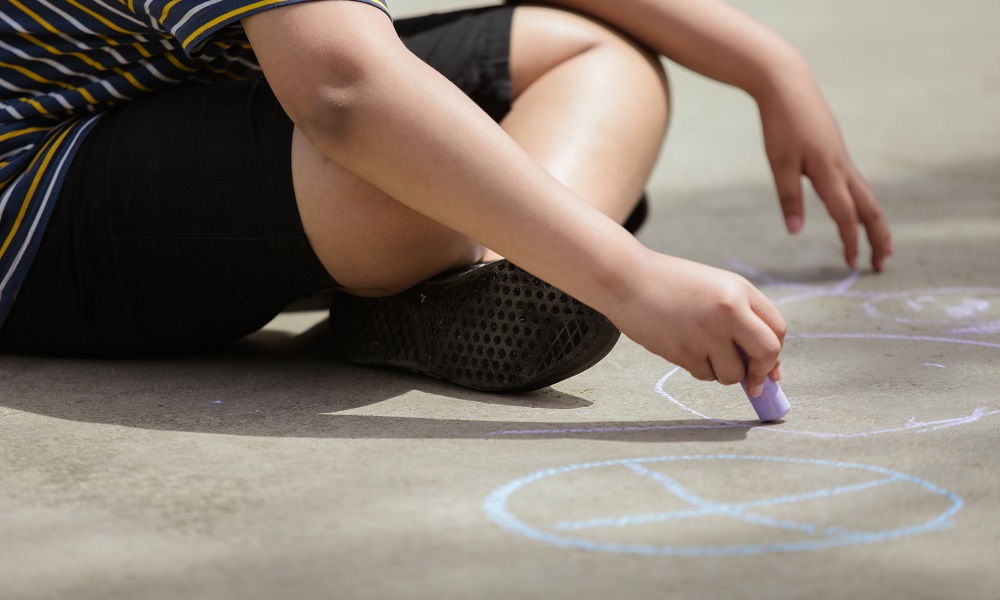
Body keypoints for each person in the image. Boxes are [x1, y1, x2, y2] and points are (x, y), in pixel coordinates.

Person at [0, 0, 892, 397]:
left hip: (160, 89)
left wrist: (769, 67)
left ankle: (457, 292)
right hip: (34, 182)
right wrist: (628, 277)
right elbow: (344, 92)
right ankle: (450, 261)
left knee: (592, 55)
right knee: (401, 176)